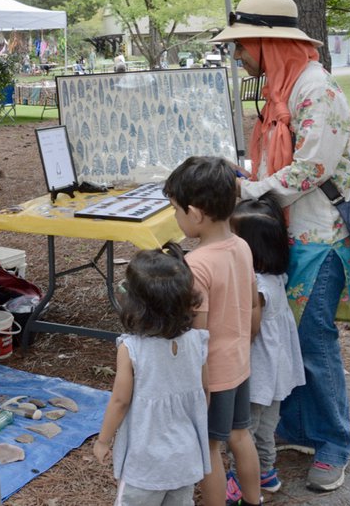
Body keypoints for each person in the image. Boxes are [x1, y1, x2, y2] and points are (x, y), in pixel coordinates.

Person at [211, 0, 350, 492]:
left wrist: (252, 189)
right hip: (291, 233)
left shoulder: (317, 90)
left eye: (242, 45)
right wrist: (251, 176)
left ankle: (333, 444)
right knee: (289, 337)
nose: (238, 54)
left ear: (268, 42)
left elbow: (313, 166)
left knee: (314, 341)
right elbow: (286, 161)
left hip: (321, 237)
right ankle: (300, 427)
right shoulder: (284, 89)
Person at [163, 157, 263, 506]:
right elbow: (253, 305)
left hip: (213, 376)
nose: (175, 217)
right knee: (240, 435)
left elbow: (197, 338)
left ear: (195, 213)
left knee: (209, 449)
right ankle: (254, 500)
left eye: (175, 210)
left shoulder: (196, 265)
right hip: (239, 365)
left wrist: (199, 384)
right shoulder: (242, 246)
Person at [92, 247, 211, 506]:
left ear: (135, 304)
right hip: (185, 456)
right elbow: (204, 390)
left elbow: (120, 401)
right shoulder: (197, 341)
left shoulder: (131, 349)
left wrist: (103, 440)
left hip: (144, 463)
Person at [229, 194, 305, 498]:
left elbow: (250, 329)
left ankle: (243, 482)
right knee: (266, 425)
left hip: (258, 369)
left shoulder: (256, 287)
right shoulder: (276, 276)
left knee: (244, 429)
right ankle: (267, 472)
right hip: (277, 368)